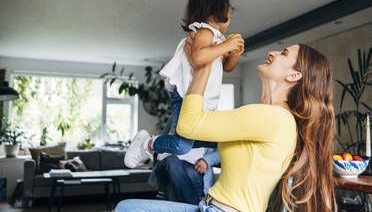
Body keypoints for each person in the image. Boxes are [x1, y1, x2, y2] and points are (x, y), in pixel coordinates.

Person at [115, 37, 336, 211]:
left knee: (127, 208)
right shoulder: (274, 118)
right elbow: (195, 134)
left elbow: (188, 125)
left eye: (283, 53)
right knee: (127, 207)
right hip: (209, 206)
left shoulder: (272, 118)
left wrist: (202, 67)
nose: (273, 52)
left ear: (294, 75)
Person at [124, 0, 244, 169]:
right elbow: (198, 57)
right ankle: (147, 143)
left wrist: (233, 54)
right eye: (228, 9)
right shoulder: (204, 31)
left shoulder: (218, 40)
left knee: (213, 140)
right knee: (182, 146)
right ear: (218, 10)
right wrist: (227, 46)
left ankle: (168, 140)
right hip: (186, 96)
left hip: (203, 102)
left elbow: (227, 67)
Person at [149, 147, 220, 205]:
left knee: (172, 188)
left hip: (196, 168)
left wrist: (207, 160)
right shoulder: (175, 129)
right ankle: (195, 205)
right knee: (172, 161)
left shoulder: (215, 132)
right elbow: (158, 145)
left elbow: (223, 152)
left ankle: (192, 206)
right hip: (170, 163)